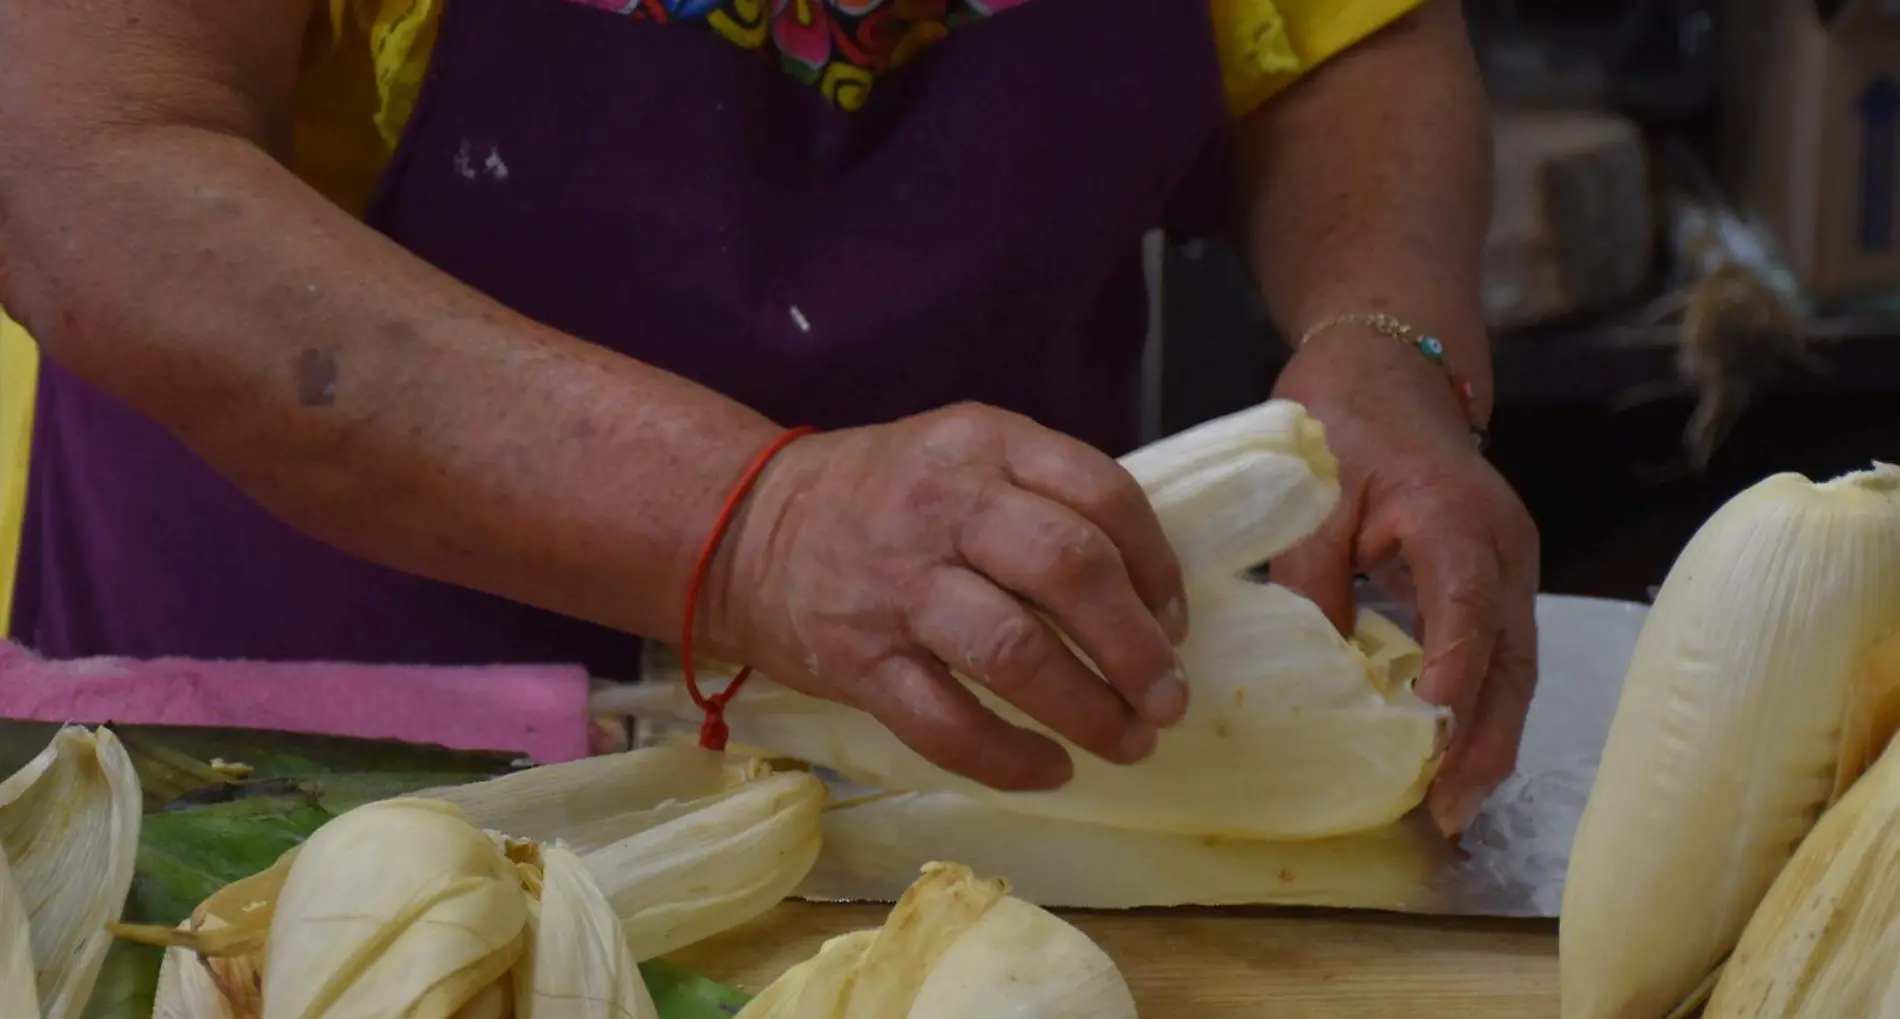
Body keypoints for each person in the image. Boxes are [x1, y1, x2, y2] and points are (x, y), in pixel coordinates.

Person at [0, 0, 1537, 833]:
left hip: (986, 777)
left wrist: (1378, 332)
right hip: (309, 771)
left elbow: (1346, 46)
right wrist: (760, 524)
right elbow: (87, 166)